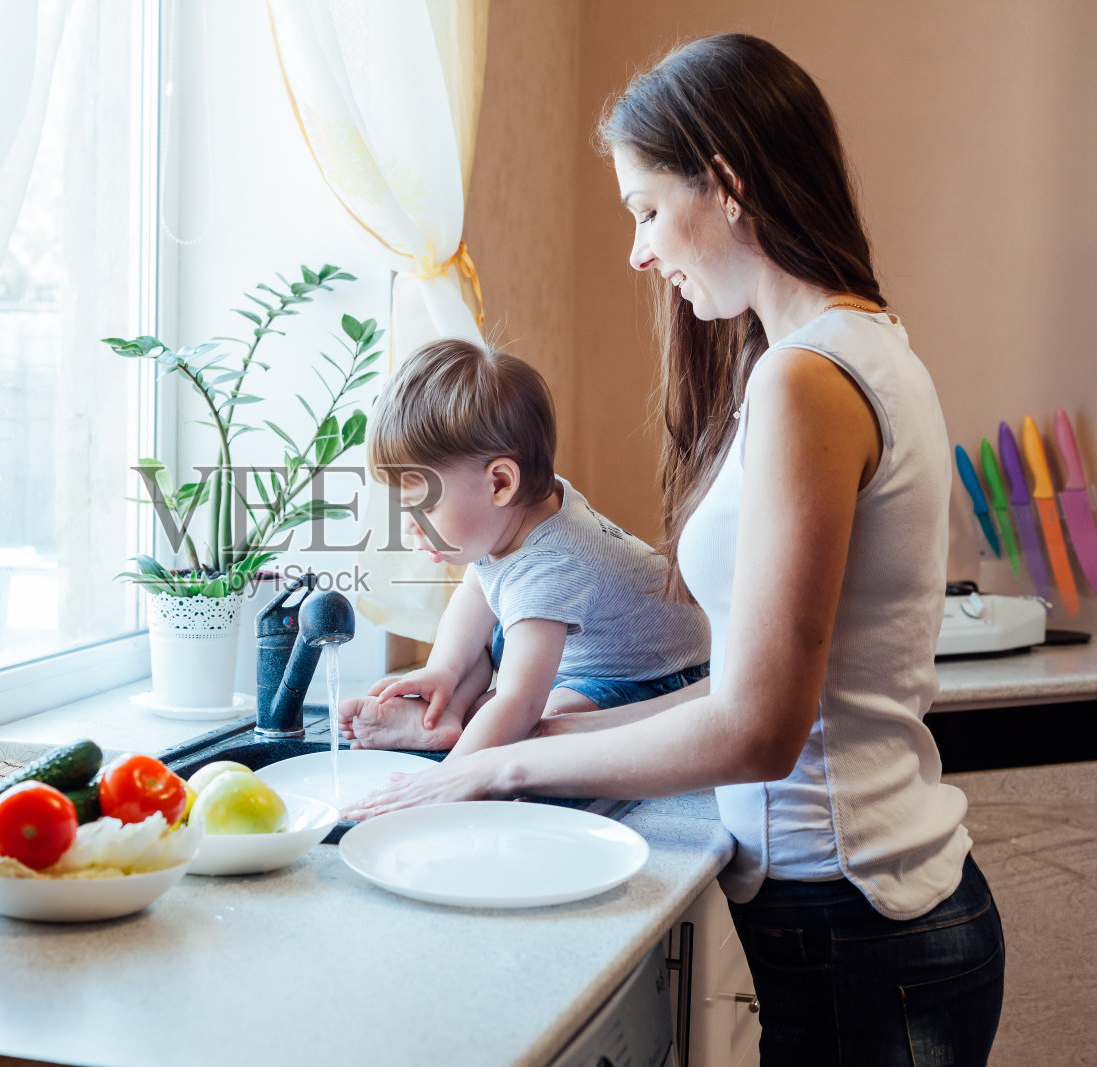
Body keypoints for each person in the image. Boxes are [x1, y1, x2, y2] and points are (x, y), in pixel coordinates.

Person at [343, 33, 1004, 1066]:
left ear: (729, 185)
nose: (639, 252)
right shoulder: (848, 352)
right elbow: (745, 688)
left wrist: (499, 768)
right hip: (871, 918)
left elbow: (757, 731)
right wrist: (530, 746)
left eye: (648, 209)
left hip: (860, 922)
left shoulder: (804, 381)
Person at [337, 338, 711, 757]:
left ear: (500, 483)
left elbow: (519, 703)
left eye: (425, 506)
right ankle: (445, 713)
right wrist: (442, 670)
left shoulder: (551, 564)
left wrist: (449, 781)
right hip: (573, 651)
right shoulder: (510, 515)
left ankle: (460, 724)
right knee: (477, 641)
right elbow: (476, 591)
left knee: (545, 720)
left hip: (654, 677)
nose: (410, 528)